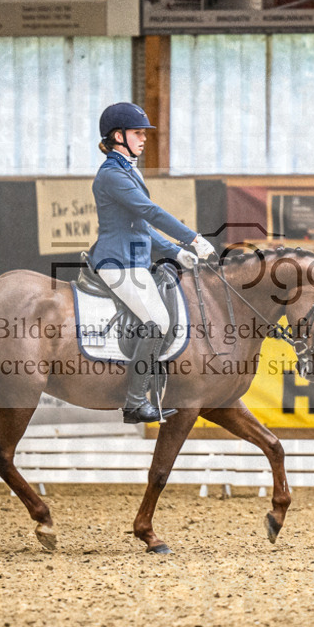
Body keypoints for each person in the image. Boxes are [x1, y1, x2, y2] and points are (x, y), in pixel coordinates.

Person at [88, 102, 215, 424]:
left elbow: (141, 226)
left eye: (144, 133)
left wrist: (174, 251)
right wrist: (194, 239)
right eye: (137, 133)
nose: (144, 139)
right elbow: (151, 213)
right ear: (118, 136)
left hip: (134, 261)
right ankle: (134, 403)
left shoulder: (129, 169)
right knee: (158, 322)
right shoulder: (112, 175)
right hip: (117, 262)